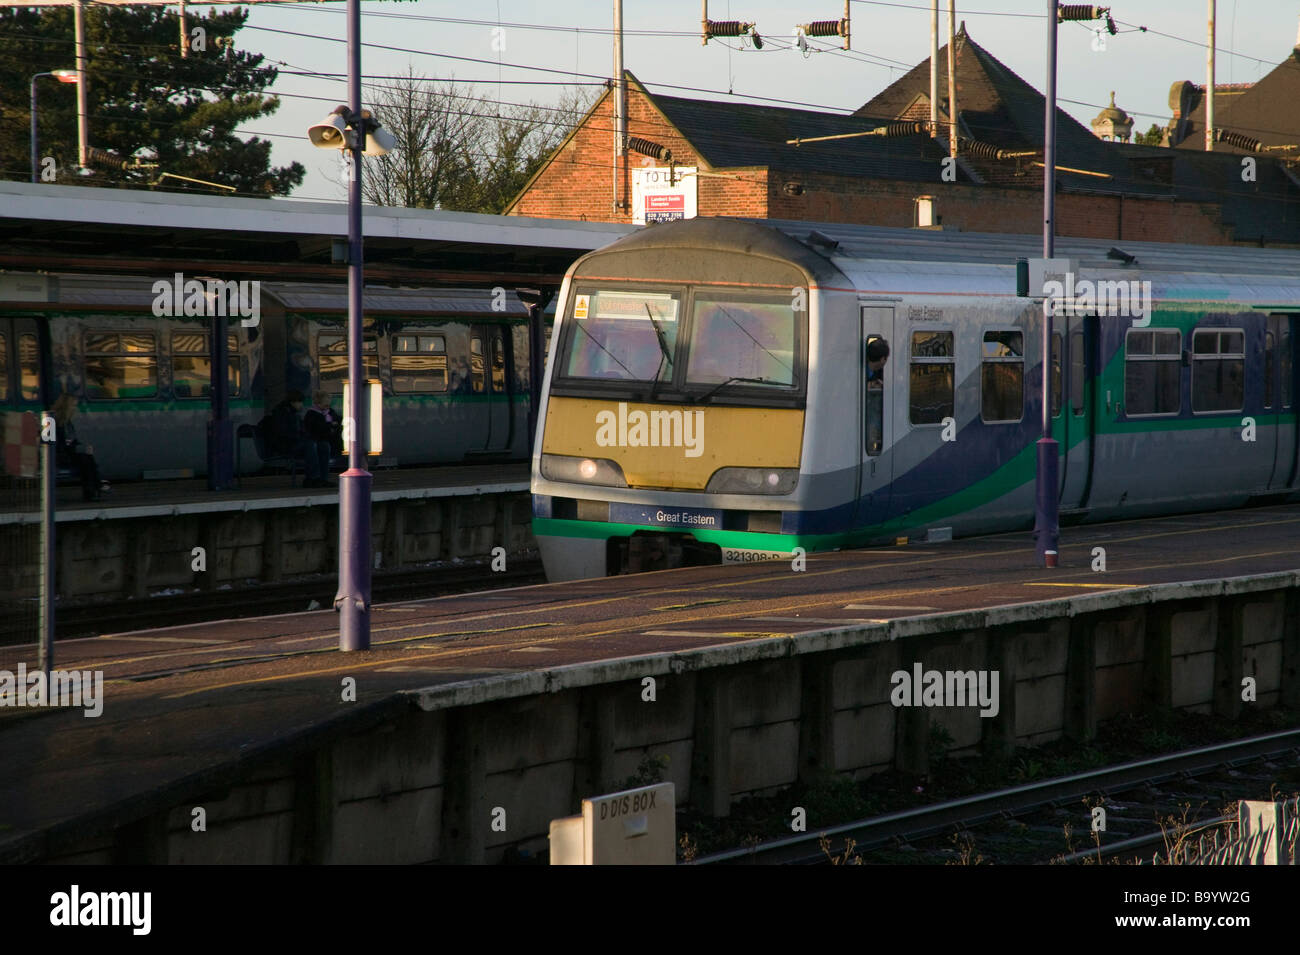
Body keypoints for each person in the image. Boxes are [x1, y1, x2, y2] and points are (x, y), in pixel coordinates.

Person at [52, 393, 109, 501]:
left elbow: (73, 441)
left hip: (68, 453)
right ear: (66, 407)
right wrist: (74, 448)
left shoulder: (67, 423)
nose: (75, 408)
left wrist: (82, 447)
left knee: (87, 458)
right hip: (59, 456)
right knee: (86, 460)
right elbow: (53, 444)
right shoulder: (52, 422)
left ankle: (94, 489)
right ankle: (96, 487)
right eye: (73, 406)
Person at [270, 389, 329, 487]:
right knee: (310, 445)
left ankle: (323, 478)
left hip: (295, 442)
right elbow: (285, 433)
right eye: (300, 402)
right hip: (287, 445)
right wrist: (302, 437)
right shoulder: (282, 414)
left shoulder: (293, 413)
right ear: (293, 402)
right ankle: (312, 478)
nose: (301, 405)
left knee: (323, 445)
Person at [304, 390, 343, 460]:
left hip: (332, 439)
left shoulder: (330, 411)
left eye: (329, 404)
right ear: (318, 404)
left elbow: (338, 419)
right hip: (320, 440)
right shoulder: (311, 414)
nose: (327, 406)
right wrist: (330, 424)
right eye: (325, 404)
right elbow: (315, 428)